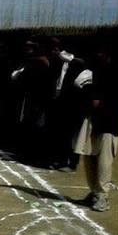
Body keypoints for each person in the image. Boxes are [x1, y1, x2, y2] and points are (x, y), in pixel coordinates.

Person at [74, 43, 118, 212]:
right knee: (88, 156)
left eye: (101, 51)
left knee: (104, 160)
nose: (98, 54)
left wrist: (98, 98)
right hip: (93, 119)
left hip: (109, 122)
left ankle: (103, 196)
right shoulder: (95, 70)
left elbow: (117, 97)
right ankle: (94, 191)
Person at [47, 38, 83, 171]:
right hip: (60, 100)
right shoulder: (59, 63)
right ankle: (60, 160)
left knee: (72, 134)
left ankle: (72, 163)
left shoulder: (78, 62)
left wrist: (68, 59)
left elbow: (80, 63)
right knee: (60, 132)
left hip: (73, 103)